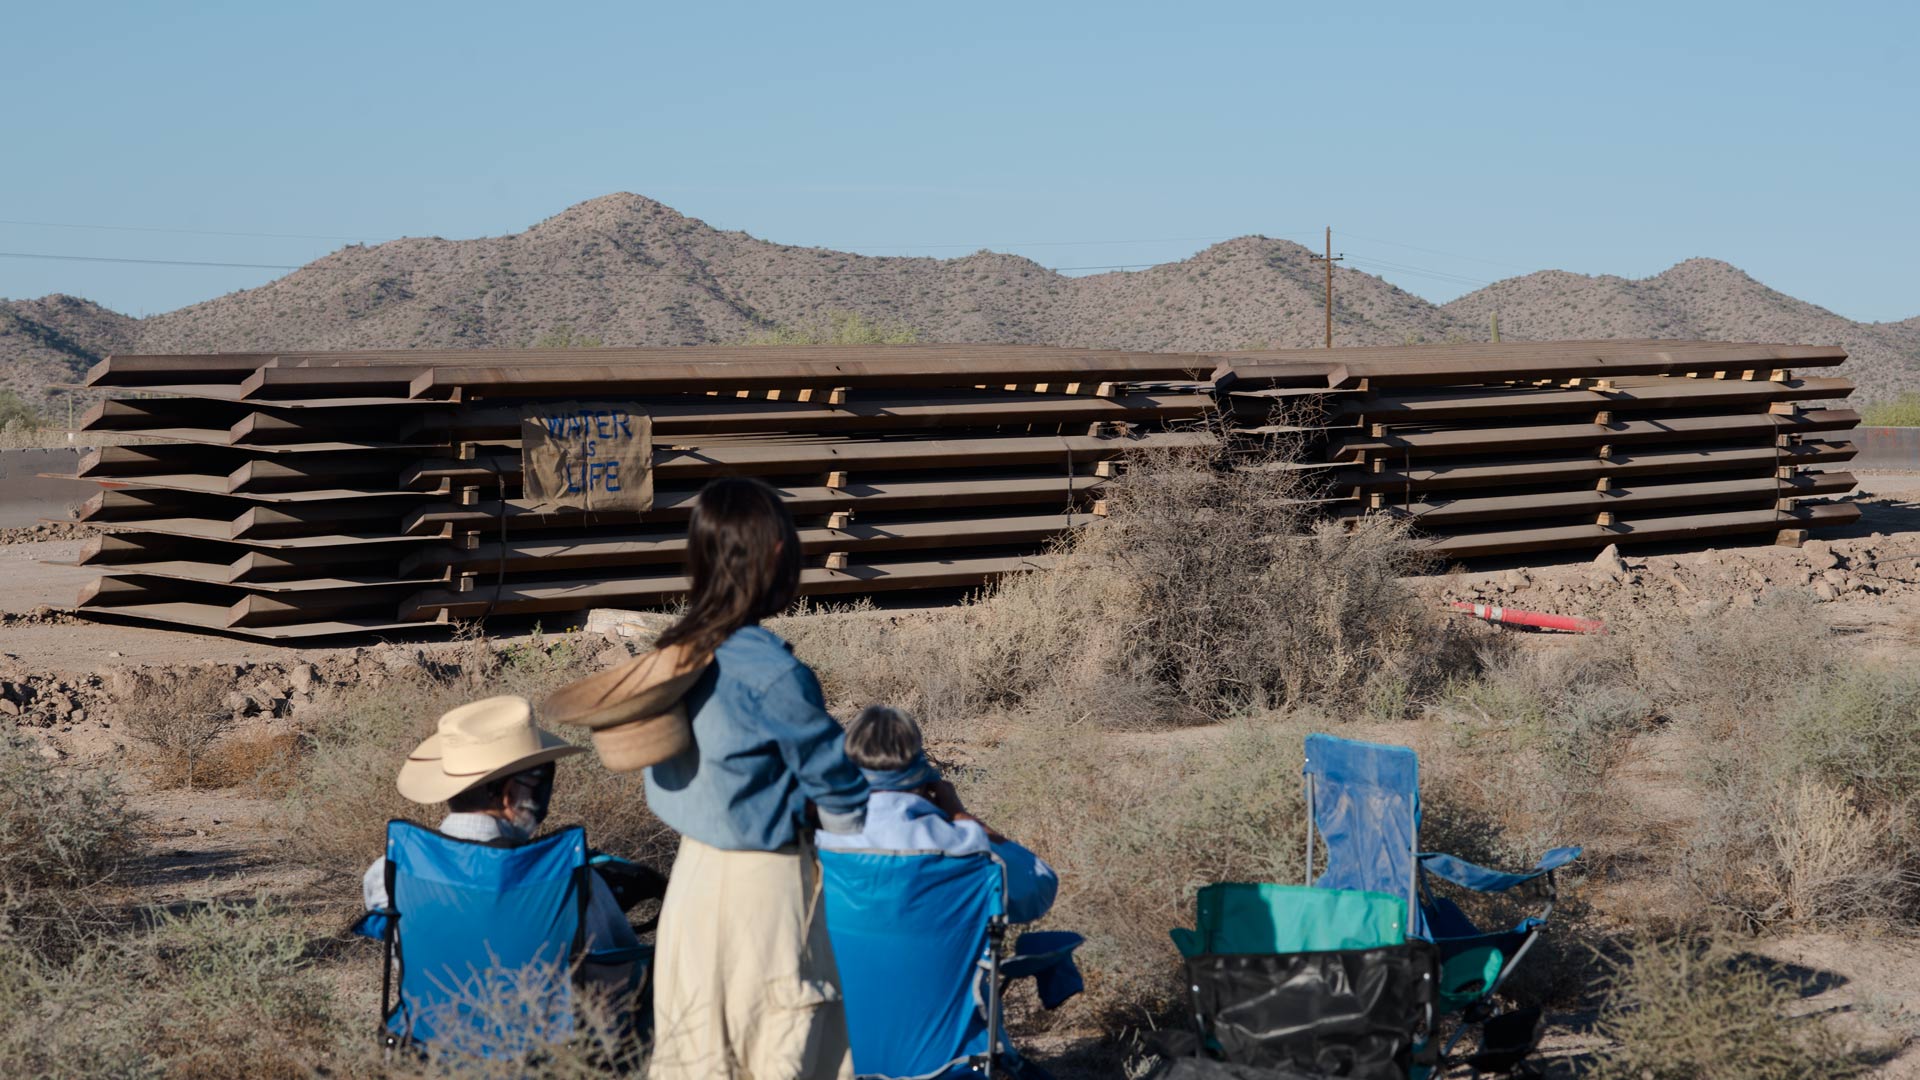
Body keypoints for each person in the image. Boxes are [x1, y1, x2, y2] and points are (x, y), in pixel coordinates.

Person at [544, 476, 870, 1080]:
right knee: (780, 1042)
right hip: (767, 886)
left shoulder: (678, 651)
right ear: (776, 553)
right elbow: (841, 788)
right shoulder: (773, 671)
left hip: (694, 880)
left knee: (698, 1052)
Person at [359, 695, 644, 994]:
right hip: (550, 1037)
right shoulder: (572, 879)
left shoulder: (386, 876)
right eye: (539, 782)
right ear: (509, 795)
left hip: (430, 1035)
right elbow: (620, 969)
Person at [819, 705, 1058, 925]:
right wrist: (959, 815)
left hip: (837, 971)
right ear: (927, 781)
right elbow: (1040, 889)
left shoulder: (820, 841)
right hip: (945, 971)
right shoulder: (963, 844)